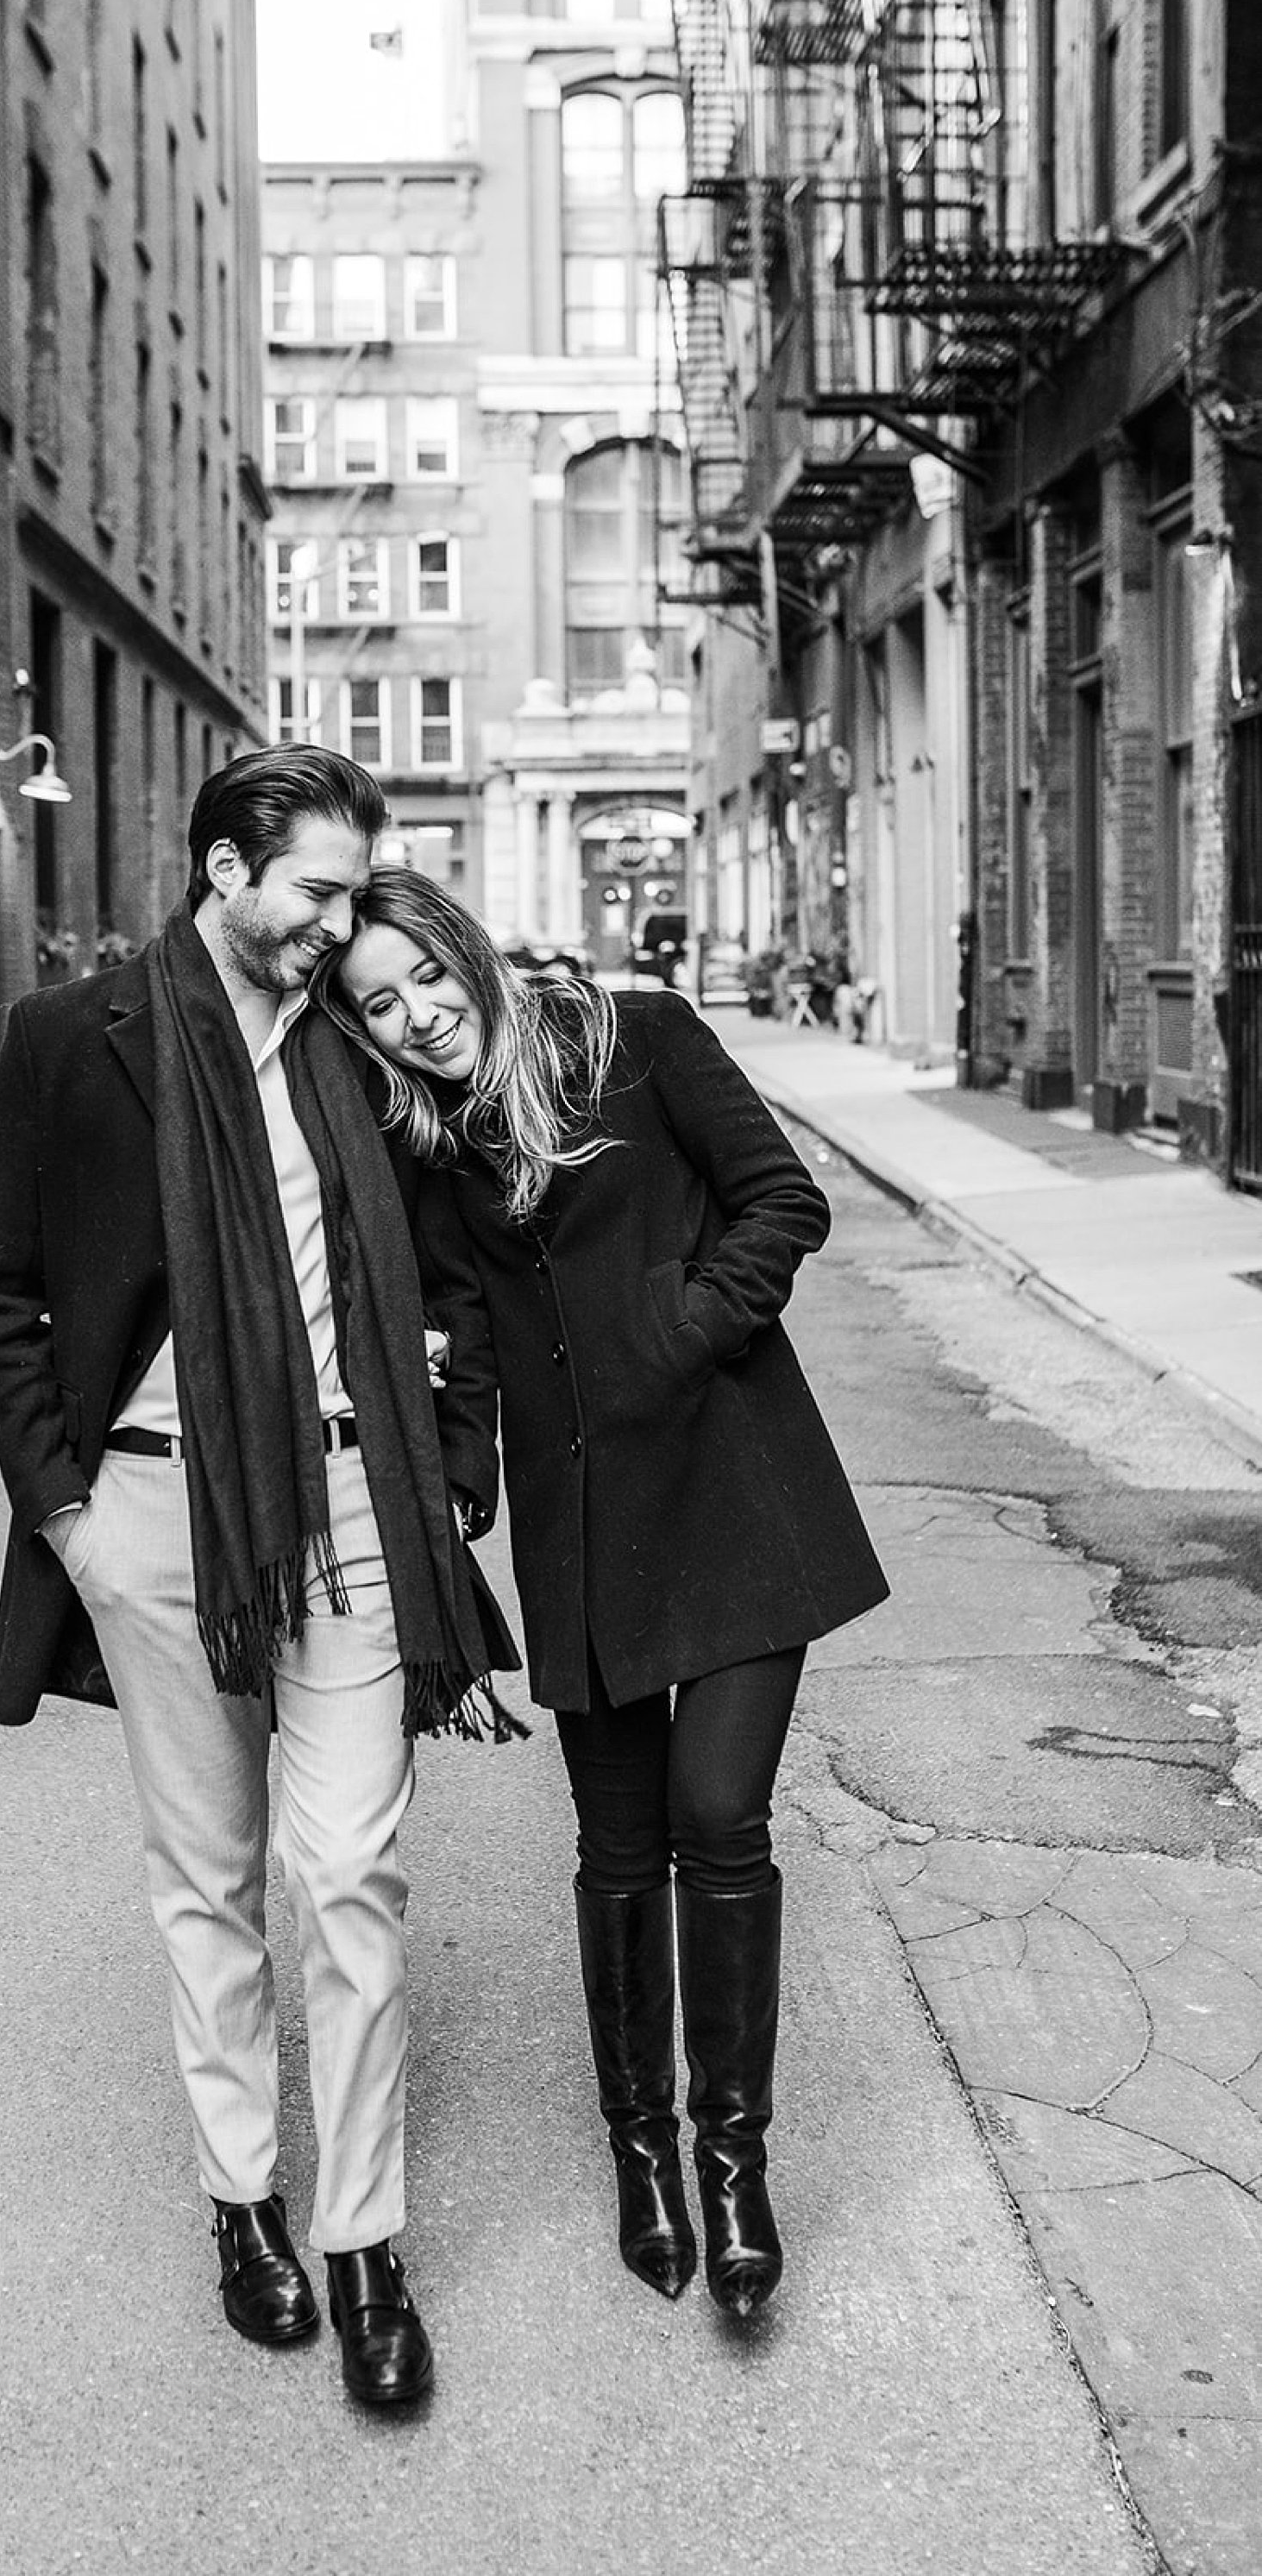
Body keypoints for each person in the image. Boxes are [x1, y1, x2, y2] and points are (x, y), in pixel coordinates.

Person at [0, 749, 513, 2410]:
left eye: (358, 894)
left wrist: (457, 1465)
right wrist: (67, 1513)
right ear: (223, 870)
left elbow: (464, 1272)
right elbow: (3, 1297)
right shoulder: (79, 1041)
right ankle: (241, 2205)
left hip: (349, 1503)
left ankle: (362, 2239)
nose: (343, 928)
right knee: (210, 1881)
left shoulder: (356, 1041)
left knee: (345, 1873)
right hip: (150, 1521)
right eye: (320, 893)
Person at [318, 869, 888, 2322]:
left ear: (468, 953)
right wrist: (455, 1488)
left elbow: (784, 1200)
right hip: (583, 1531)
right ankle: (641, 2155)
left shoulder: (634, 1035)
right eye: (379, 1006)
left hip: (734, 1488)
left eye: (425, 980)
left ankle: (735, 2163)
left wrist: (675, 1335)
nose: (417, 1018)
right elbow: (464, 1332)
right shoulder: (435, 1144)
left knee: (721, 1822)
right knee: (620, 1846)